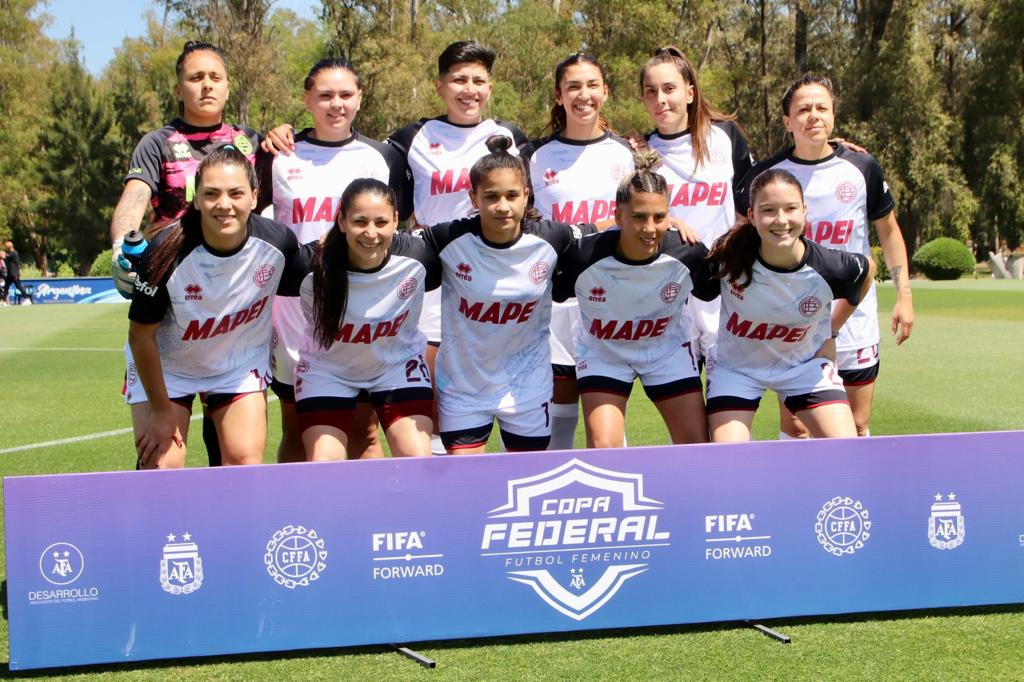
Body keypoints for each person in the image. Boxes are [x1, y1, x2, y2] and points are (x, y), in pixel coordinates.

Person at [735, 75, 914, 438]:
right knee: (798, 426)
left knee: (858, 422)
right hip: (793, 319)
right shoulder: (767, 175)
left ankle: (854, 494)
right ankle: (798, 496)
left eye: (821, 108)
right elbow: (743, 236)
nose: (813, 116)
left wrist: (904, 295)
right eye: (803, 109)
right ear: (787, 121)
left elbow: (889, 231)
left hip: (854, 316)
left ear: (833, 115)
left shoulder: (863, 167)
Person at [111, 40, 261, 468]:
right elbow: (135, 197)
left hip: (232, 314)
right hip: (172, 309)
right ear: (180, 88)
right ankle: (155, 534)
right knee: (162, 462)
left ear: (228, 87)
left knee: (234, 456)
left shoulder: (250, 140)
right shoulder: (158, 142)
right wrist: (122, 244)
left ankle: (228, 533)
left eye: (215, 77)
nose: (206, 86)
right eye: (195, 78)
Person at [255, 57, 411, 462]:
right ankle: (299, 515)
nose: (336, 104)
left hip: (366, 305)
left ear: (360, 98)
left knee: (366, 428)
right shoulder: (279, 153)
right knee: (296, 425)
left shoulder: (382, 157)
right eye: (325, 95)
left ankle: (365, 520)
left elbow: (397, 229)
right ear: (308, 99)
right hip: (295, 310)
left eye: (345, 94)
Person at [386, 40, 528, 454]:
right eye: (459, 80)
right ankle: (440, 489)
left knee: (504, 383)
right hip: (435, 276)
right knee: (433, 385)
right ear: (439, 86)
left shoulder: (509, 137)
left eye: (479, 80)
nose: (470, 89)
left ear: (490, 86)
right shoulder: (411, 138)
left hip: (496, 277)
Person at [421, 135, 595, 454]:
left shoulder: (552, 237)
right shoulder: (447, 238)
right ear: (474, 198)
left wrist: (671, 226)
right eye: (491, 196)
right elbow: (392, 244)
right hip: (464, 387)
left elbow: (610, 234)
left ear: (526, 196)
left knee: (523, 484)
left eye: (512, 195)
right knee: (468, 483)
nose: (503, 206)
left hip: (527, 387)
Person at [127, 147, 299, 469]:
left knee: (244, 461)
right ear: (196, 199)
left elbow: (317, 281)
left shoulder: (279, 243)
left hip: (236, 364)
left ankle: (230, 522)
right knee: (163, 466)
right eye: (212, 194)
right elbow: (140, 337)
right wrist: (162, 412)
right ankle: (161, 520)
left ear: (253, 196)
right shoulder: (165, 251)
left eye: (236, 193)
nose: (224, 204)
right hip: (168, 366)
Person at [699, 168, 875, 442]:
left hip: (803, 368)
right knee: (729, 459)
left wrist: (831, 330)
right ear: (752, 215)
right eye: (768, 210)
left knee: (846, 450)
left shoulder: (829, 267)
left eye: (790, 208)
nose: (781, 220)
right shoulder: (729, 258)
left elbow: (867, 272)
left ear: (804, 210)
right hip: (737, 370)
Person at [554, 151, 709, 448]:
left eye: (659, 217)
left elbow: (712, 290)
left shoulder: (688, 253)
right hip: (604, 353)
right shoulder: (584, 255)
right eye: (639, 217)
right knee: (604, 448)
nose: (650, 229)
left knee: (695, 444)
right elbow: (556, 291)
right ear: (618, 216)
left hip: (666, 351)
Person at [521, 52, 635, 451]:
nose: (583, 95)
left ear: (605, 91)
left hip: (611, 297)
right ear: (558, 95)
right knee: (557, 412)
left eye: (591, 85)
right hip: (554, 298)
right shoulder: (535, 156)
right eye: (573, 86)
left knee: (607, 421)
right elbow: (525, 223)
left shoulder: (626, 153)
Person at [285, 179, 440, 460]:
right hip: (327, 370)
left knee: (416, 458)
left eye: (381, 222)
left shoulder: (419, 256)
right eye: (360, 222)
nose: (371, 233)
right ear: (342, 221)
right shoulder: (307, 265)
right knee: (324, 463)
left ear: (395, 220)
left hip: (397, 366)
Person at [641, 46, 754, 363]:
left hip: (725, 285)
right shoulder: (641, 152)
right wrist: (669, 223)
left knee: (726, 398)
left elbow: (750, 203)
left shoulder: (725, 136)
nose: (660, 99)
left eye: (669, 88)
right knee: (684, 403)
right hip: (672, 292)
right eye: (651, 91)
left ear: (689, 92)